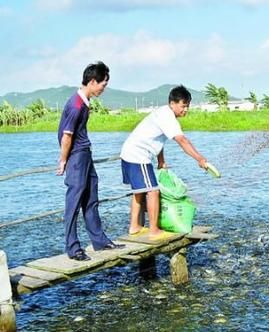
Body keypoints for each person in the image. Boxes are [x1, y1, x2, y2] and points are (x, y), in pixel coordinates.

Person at [57, 61, 125, 261]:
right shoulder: (76, 105)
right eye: (103, 85)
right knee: (74, 201)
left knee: (91, 198)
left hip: (85, 153)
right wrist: (63, 161)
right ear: (93, 82)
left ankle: (100, 241)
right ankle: (73, 247)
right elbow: (66, 136)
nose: (104, 89)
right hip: (76, 156)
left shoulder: (84, 102)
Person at [120, 85, 208, 238]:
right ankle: (154, 230)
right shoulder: (167, 117)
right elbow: (182, 140)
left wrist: (161, 161)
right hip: (138, 155)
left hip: (129, 153)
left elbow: (158, 139)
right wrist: (199, 158)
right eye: (183, 106)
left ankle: (134, 227)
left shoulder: (163, 113)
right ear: (172, 103)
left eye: (187, 106)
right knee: (153, 191)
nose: (185, 109)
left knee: (139, 192)